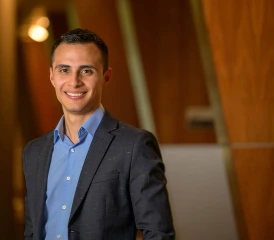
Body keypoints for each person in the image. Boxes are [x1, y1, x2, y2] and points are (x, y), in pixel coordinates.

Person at [22, 28, 175, 240]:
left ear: (106, 76)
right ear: (52, 76)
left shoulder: (134, 145)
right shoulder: (34, 151)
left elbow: (158, 233)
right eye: (64, 70)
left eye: (86, 71)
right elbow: (32, 231)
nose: (74, 82)